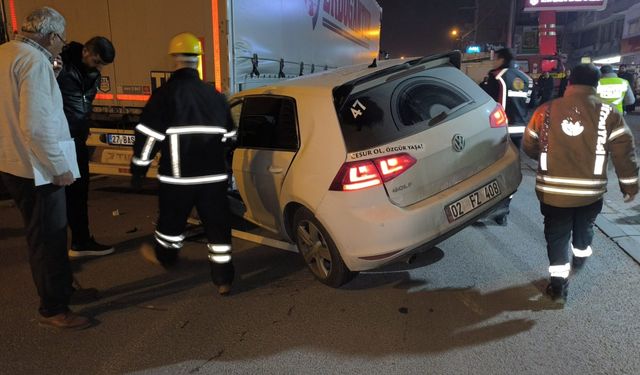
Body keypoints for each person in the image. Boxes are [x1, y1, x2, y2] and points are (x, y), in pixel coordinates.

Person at [0, 7, 91, 329]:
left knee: (42, 235)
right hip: (36, 169)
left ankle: (63, 289)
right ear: (51, 36)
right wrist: (58, 168)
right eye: (62, 42)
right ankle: (54, 308)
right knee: (48, 239)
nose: (61, 47)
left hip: (12, 162)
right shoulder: (33, 61)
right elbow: (37, 126)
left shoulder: (7, 53)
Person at [130, 32, 236, 295]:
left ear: (174, 60)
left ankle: (166, 258)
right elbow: (231, 137)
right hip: (213, 178)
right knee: (218, 227)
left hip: (178, 178)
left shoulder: (165, 95)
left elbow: (148, 138)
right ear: (198, 60)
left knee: (171, 223)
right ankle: (223, 279)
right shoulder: (214, 95)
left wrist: (139, 169)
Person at [523, 64, 639, 302]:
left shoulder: (545, 110)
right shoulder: (609, 113)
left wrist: (545, 157)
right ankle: (581, 255)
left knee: (556, 235)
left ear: (569, 82)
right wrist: (629, 185)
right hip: (590, 193)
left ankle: (558, 286)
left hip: (552, 192)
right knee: (584, 228)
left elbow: (530, 144)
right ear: (596, 85)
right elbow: (624, 153)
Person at [57, 36, 116, 258]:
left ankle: (80, 241)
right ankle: (68, 244)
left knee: (78, 193)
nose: (99, 67)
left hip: (76, 138)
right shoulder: (61, 66)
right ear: (85, 52)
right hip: (60, 138)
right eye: (97, 61)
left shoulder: (90, 73)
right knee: (59, 195)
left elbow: (83, 103)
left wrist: (85, 124)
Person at [482, 47, 533, 225]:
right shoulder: (526, 79)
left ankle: (490, 207)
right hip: (519, 130)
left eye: (495, 58)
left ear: (501, 59)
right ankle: (504, 208)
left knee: (492, 170)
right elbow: (530, 103)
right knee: (511, 169)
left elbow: (486, 103)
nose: (493, 61)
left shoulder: (497, 76)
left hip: (499, 130)